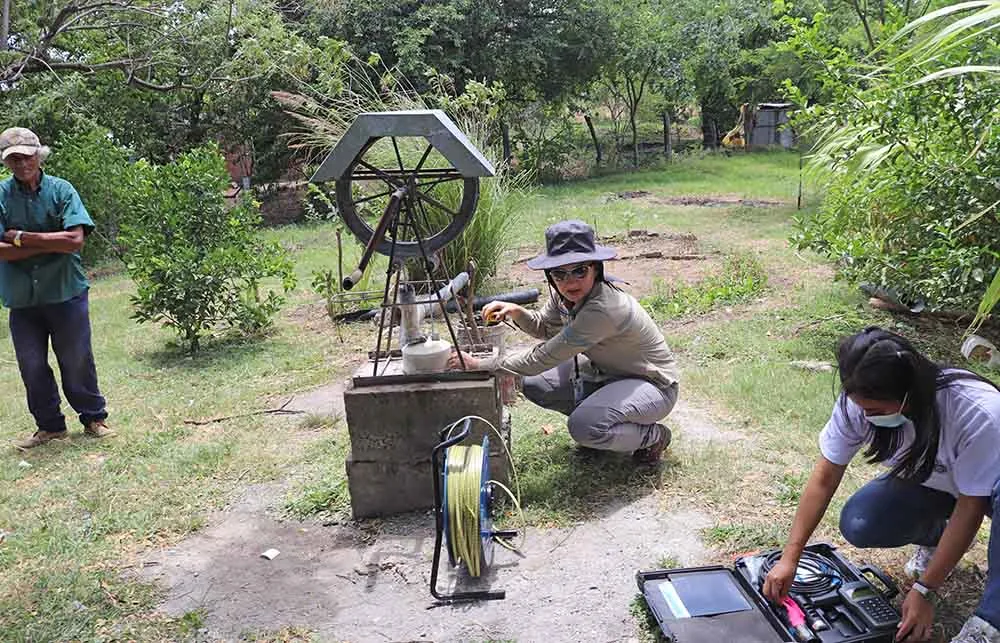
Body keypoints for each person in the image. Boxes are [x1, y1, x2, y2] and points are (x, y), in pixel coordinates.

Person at [763, 326, 1000, 643]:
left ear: (908, 394)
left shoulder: (978, 412)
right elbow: (824, 476)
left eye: (874, 410)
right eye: (861, 407)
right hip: (939, 484)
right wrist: (790, 557)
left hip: (989, 490)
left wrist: (924, 590)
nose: (866, 416)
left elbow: (971, 507)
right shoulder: (857, 401)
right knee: (862, 521)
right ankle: (937, 538)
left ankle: (989, 622)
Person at [449, 219, 679, 463]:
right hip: (609, 376)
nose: (570, 282)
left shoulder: (603, 309)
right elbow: (545, 327)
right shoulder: (566, 298)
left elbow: (544, 356)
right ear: (550, 276)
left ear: (596, 268)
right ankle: (601, 424)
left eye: (580, 270)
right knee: (536, 384)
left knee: (582, 427)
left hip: (654, 386)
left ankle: (653, 436)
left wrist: (479, 365)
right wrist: (516, 311)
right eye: (559, 273)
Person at [0, 127, 112, 449]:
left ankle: (93, 418)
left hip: (66, 291)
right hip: (22, 298)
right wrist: (52, 243)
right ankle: (50, 427)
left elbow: (75, 240)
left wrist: (20, 237)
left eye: (27, 156)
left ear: (39, 154)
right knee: (31, 364)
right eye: (14, 159)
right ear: (7, 163)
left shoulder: (62, 190)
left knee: (76, 358)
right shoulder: (1, 196)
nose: (22, 165)